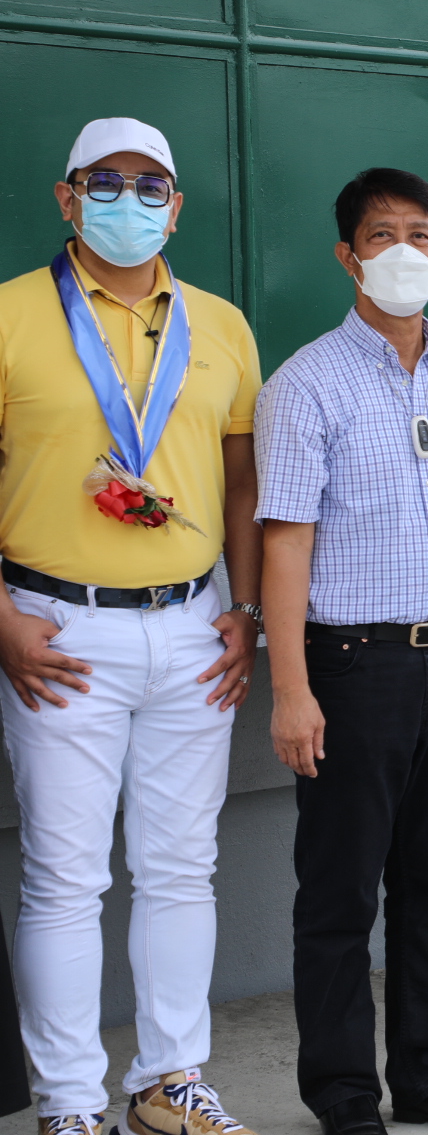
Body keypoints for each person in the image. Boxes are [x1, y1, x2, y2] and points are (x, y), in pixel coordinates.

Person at [257, 168, 428, 1135]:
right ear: (349, 255)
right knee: (339, 893)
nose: (405, 252)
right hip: (352, 668)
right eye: (383, 235)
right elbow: (282, 541)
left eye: (422, 234)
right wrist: (289, 690)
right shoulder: (305, 384)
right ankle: (343, 1093)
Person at [0, 118, 263, 1135]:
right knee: (66, 876)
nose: (129, 199)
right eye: (105, 182)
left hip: (195, 627)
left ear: (177, 204)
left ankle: (168, 1080)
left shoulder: (223, 325)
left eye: (150, 183)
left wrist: (241, 609)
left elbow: (243, 484)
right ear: (68, 198)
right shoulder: (16, 315)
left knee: (179, 866)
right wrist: (4, 622)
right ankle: (70, 1105)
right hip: (58, 634)